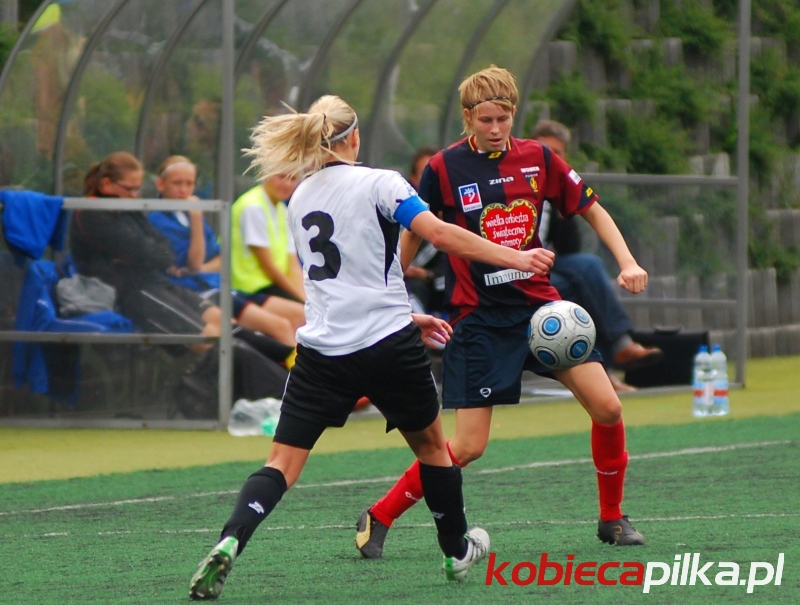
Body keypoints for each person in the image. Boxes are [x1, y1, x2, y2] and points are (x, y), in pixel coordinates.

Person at [188, 94, 553, 599]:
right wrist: (516, 256)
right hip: (387, 344)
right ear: (354, 136)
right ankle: (455, 551)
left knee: (280, 465)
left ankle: (230, 540)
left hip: (322, 352)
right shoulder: (382, 182)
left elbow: (338, 282)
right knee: (433, 449)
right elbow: (439, 233)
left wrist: (407, 314)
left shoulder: (299, 196)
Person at [356, 66, 648, 561]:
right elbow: (415, 229)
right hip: (479, 322)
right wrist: (394, 284)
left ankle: (612, 517)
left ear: (514, 114)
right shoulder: (444, 167)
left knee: (609, 407)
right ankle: (379, 515)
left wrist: (628, 261)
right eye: (486, 120)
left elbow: (592, 207)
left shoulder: (539, 157)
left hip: (542, 315)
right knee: (469, 446)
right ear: (468, 117)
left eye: (504, 118)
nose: (495, 128)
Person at [532, 120, 663, 393]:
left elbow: (569, 247)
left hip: (548, 264)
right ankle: (614, 357)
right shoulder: (518, 182)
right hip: (515, 270)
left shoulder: (558, 184)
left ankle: (611, 363)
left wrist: (561, 209)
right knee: (583, 280)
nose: (551, 158)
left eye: (558, 152)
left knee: (587, 271)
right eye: (547, 151)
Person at [69, 151, 222, 349]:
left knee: (222, 322)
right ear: (106, 184)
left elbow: (165, 252)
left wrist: (153, 253)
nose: (134, 195)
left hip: (156, 282)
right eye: (128, 189)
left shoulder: (128, 209)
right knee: (206, 340)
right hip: (130, 291)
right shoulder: (92, 213)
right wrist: (150, 252)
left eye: (137, 189)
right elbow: (141, 249)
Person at [148, 155, 298, 349]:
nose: (184, 190)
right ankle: (297, 368)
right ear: (161, 184)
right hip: (199, 292)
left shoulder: (189, 213)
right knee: (280, 327)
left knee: (299, 317)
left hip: (218, 285)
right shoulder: (159, 219)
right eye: (177, 183)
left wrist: (199, 268)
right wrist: (196, 221)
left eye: (189, 184)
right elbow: (194, 262)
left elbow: (219, 259)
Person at [230, 175, 306, 332]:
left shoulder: (283, 210)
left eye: (293, 179)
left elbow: (293, 265)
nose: (287, 184)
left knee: (313, 313)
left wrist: (306, 299)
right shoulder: (253, 207)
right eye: (281, 177)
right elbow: (268, 267)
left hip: (271, 286)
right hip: (247, 290)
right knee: (303, 317)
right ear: (266, 175)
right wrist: (304, 302)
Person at [402, 147, 447, 317]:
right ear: (413, 180)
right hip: (414, 289)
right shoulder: (400, 219)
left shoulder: (460, 218)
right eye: (426, 175)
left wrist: (426, 275)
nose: (434, 181)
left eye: (438, 175)